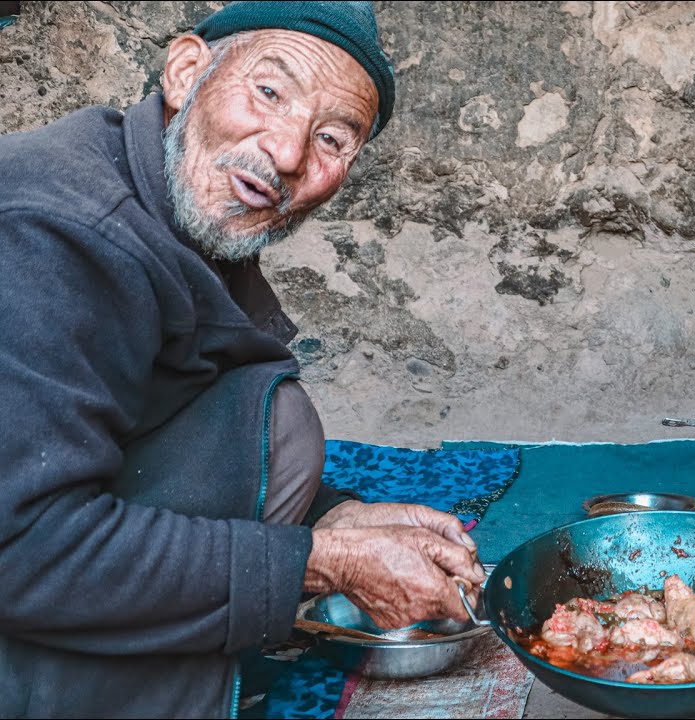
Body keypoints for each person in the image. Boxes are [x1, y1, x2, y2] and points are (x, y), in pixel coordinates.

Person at [0, 2, 486, 717]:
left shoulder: (171, 205)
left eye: (332, 138)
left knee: (276, 421)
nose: (287, 153)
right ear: (185, 72)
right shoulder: (57, 236)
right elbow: (23, 547)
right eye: (269, 91)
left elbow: (168, 410)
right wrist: (318, 564)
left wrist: (332, 519)